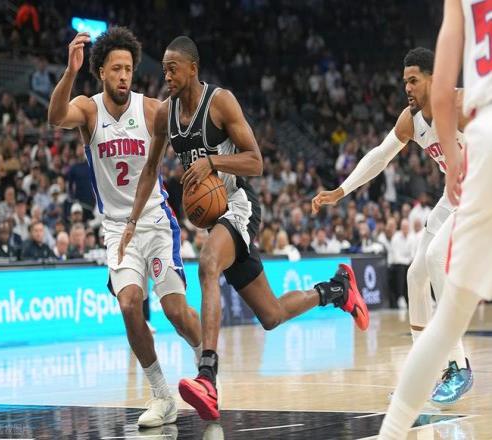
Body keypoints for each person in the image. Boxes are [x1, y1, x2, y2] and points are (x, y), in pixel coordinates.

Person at [119, 35, 369, 421]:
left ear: (192, 69)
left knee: (207, 265)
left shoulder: (220, 102)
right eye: (164, 69)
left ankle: (207, 375)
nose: (165, 75)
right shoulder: (164, 114)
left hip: (240, 206)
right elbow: (150, 169)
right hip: (216, 218)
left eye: (173, 68)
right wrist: (132, 220)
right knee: (271, 315)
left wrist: (213, 163)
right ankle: (337, 289)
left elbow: (256, 162)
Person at [48, 27, 202, 428]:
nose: (123, 76)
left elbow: (188, 124)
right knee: (129, 304)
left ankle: (208, 366)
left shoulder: (150, 109)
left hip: (155, 219)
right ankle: (162, 396)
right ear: (101, 71)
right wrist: (70, 71)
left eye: (128, 69)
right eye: (116, 68)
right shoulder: (88, 110)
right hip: (117, 229)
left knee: (176, 311)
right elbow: (55, 117)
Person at [312, 47, 473, 405]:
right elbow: (380, 156)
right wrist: (341, 191)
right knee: (415, 276)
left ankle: (458, 366)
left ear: (433, 78)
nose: (407, 88)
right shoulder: (411, 120)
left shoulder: (460, 105)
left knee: (435, 257)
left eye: (414, 80)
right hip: (455, 195)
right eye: (405, 82)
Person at [380, 0, 492, 437]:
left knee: (436, 270)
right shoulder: (412, 119)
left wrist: (452, 158)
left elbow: (442, 90)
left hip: (482, 145)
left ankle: (454, 367)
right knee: (423, 269)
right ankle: (450, 367)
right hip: (478, 150)